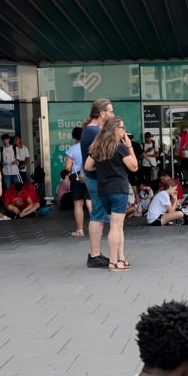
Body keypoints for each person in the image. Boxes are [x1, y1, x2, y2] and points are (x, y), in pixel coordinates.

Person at [85, 116, 137, 272]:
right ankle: (113, 262)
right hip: (119, 189)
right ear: (115, 129)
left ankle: (121, 258)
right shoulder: (120, 148)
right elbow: (134, 167)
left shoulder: (98, 147)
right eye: (122, 127)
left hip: (103, 190)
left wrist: (102, 170)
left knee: (118, 225)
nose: (124, 131)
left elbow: (88, 166)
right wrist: (130, 147)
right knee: (116, 226)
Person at [80, 99, 115, 268]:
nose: (112, 115)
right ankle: (94, 255)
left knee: (98, 215)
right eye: (110, 111)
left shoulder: (92, 131)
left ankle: (96, 253)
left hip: (95, 178)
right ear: (102, 113)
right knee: (98, 215)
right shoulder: (93, 132)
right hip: (95, 179)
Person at [64, 127, 91, 236]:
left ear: (74, 137)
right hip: (89, 175)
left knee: (78, 204)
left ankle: (80, 230)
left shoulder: (72, 149)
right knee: (90, 203)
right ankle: (96, 228)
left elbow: (67, 167)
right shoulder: (89, 148)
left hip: (76, 178)